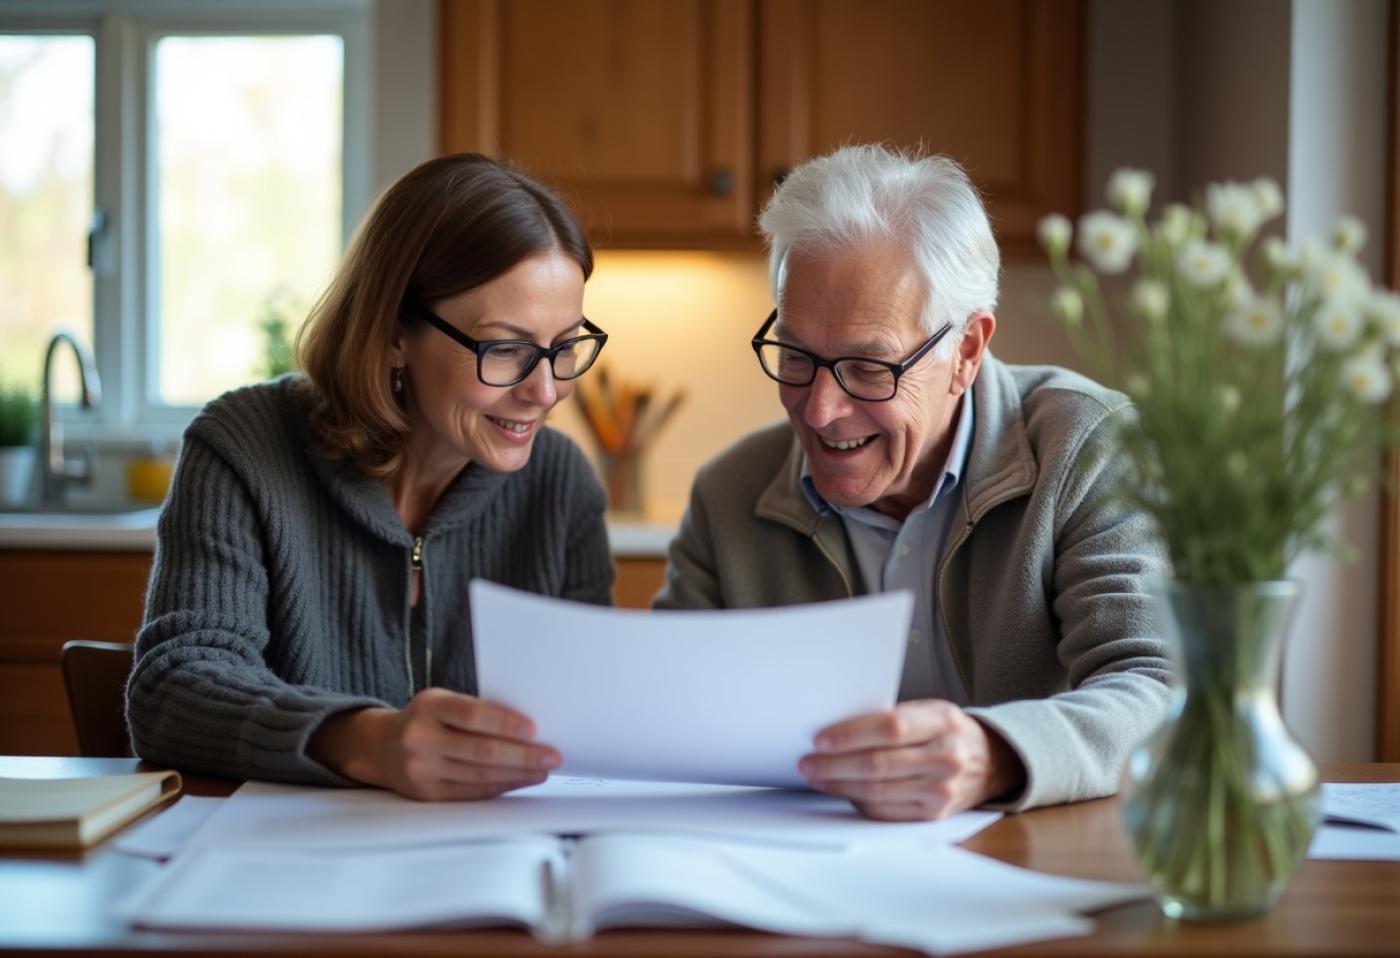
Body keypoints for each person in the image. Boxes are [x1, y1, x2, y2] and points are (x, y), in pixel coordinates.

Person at [655, 144, 1172, 819]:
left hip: (1031, 857)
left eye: (869, 368)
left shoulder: (1087, 448)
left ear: (966, 351)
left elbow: (1160, 689)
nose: (820, 410)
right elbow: (667, 711)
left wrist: (995, 754)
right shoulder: (729, 495)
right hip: (798, 861)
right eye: (796, 357)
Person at [128, 154, 614, 800]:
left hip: (499, 849)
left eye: (565, 346)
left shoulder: (559, 482)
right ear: (393, 334)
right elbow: (172, 690)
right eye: (505, 349)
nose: (546, 391)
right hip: (287, 852)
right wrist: (367, 741)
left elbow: (594, 712)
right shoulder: (245, 450)